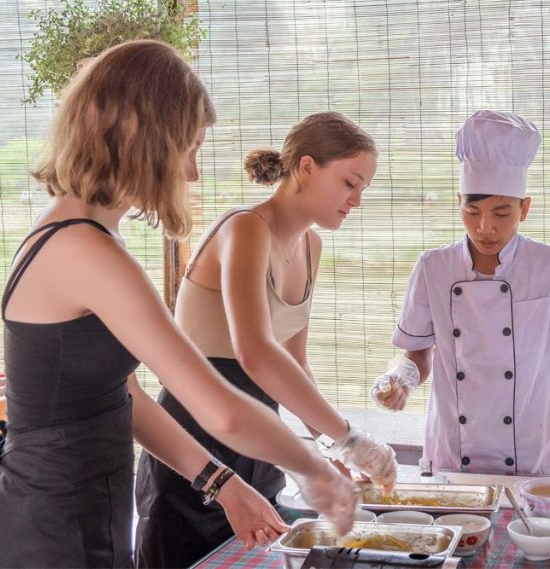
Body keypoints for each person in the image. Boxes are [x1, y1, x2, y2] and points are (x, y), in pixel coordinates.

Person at [0, 40, 358, 569]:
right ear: (143, 138)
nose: (192, 172)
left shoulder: (80, 235)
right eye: (189, 147)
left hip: (75, 516)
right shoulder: (85, 248)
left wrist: (224, 485)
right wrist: (319, 468)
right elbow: (218, 409)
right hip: (44, 531)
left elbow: (123, 397)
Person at [134, 111, 398, 568]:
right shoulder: (246, 228)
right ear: (308, 168)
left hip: (258, 443)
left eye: (363, 189)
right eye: (350, 182)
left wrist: (327, 449)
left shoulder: (311, 248)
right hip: (194, 439)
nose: (356, 199)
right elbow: (254, 353)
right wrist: (351, 438)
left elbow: (293, 364)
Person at [372, 110, 550, 477]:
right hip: (453, 452)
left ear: (524, 208)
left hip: (529, 452)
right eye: (472, 210)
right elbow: (417, 352)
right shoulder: (434, 267)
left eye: (502, 213)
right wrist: (401, 380)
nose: (485, 227)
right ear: (459, 200)